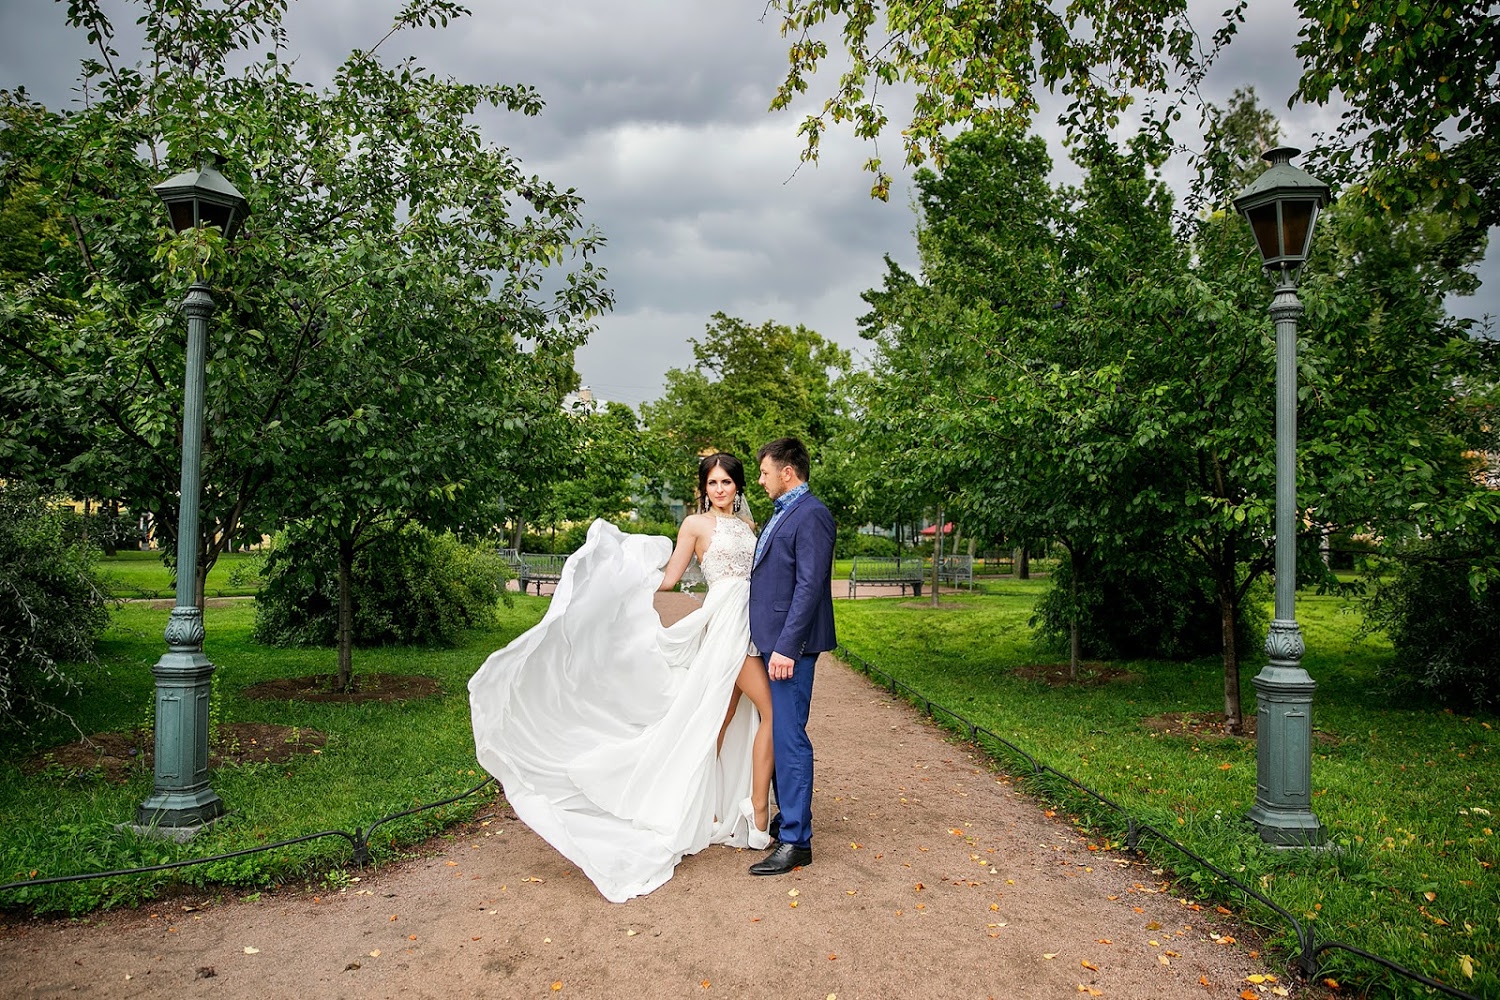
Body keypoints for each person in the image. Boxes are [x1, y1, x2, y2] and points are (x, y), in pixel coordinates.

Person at [468, 453, 772, 903]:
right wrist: (619, 588)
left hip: (750, 620)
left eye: (727, 482)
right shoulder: (694, 525)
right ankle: (758, 814)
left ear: (737, 485)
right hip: (724, 623)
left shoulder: (749, 527)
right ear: (703, 488)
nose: (720, 489)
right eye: (712, 483)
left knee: (717, 720)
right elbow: (670, 579)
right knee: (768, 712)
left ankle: (708, 807)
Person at [746, 437, 836, 876]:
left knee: (790, 736)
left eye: (764, 472)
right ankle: (789, 820)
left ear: (787, 472)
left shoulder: (812, 514)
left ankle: (798, 840)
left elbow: (809, 586)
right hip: (772, 642)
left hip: (788, 647)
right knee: (780, 729)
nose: (760, 480)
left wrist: (787, 646)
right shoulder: (785, 513)